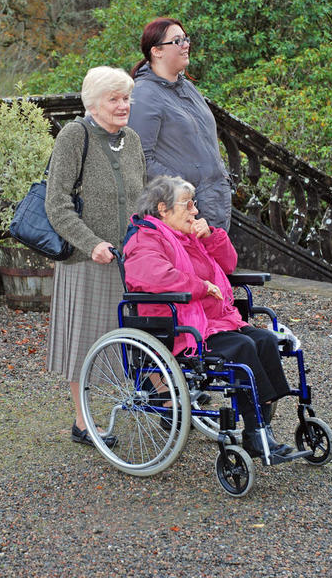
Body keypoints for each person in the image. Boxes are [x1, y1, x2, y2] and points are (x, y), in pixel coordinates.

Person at [123, 175, 293, 457]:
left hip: (215, 320)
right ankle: (255, 433)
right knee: (243, 348)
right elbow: (155, 277)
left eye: (194, 204)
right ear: (163, 209)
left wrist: (211, 236)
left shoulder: (190, 237)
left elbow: (229, 264)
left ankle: (260, 428)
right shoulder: (145, 239)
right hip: (177, 327)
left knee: (263, 340)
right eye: (187, 205)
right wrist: (200, 287)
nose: (195, 211)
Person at [45, 66, 146, 447]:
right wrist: (92, 244)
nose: (123, 105)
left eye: (126, 98)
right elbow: (57, 205)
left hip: (132, 258)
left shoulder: (132, 140)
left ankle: (160, 399)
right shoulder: (75, 135)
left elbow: (142, 198)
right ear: (93, 103)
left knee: (140, 332)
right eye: (114, 99)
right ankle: (83, 422)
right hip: (88, 259)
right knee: (86, 341)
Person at [128, 17, 232, 232]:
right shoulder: (145, 94)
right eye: (177, 41)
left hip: (215, 204)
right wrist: (186, 188)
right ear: (157, 51)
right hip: (186, 211)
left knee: (216, 265)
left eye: (185, 39)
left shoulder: (186, 87)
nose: (186, 45)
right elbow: (140, 159)